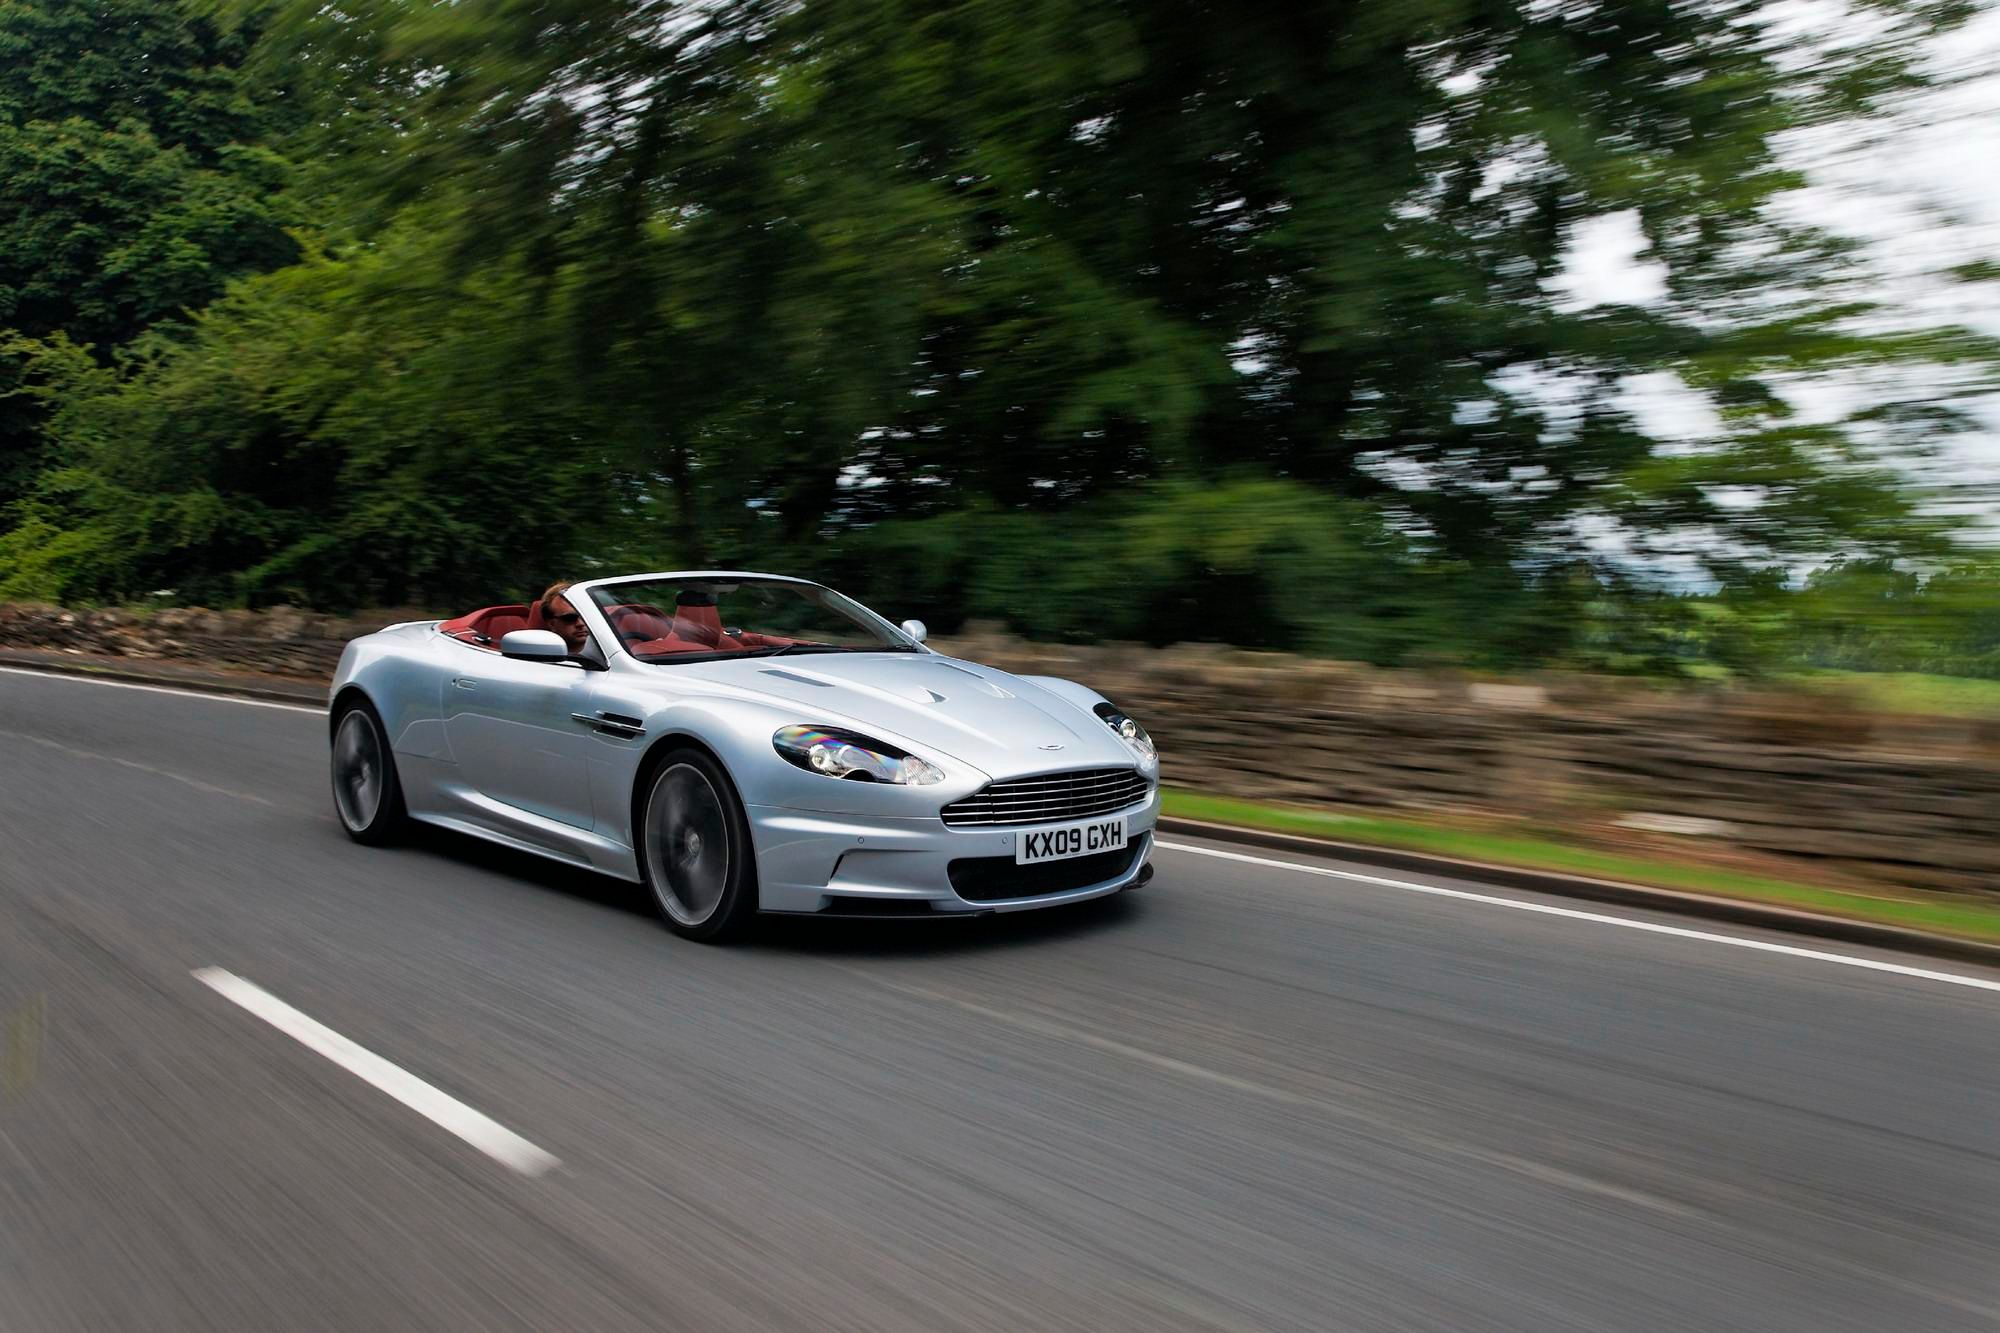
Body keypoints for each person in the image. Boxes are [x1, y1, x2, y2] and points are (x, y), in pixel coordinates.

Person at [537, 580, 590, 653]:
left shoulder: (609, 645)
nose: (580, 623)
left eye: (585, 615)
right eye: (569, 618)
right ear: (551, 624)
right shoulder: (544, 659)